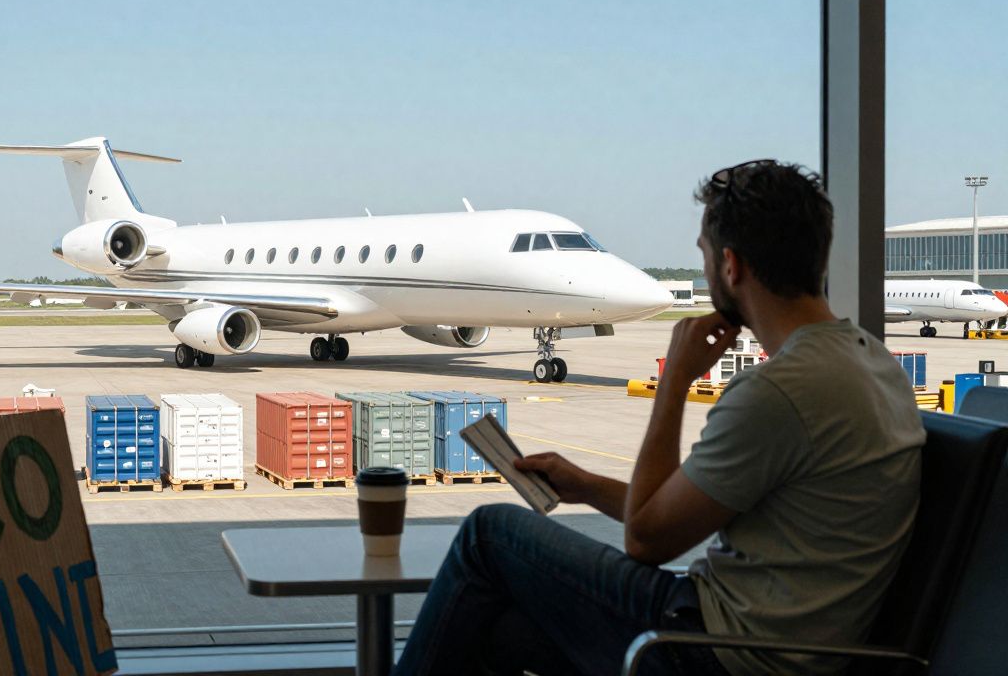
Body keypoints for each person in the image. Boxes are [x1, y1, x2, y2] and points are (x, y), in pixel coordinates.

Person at [393, 161, 925, 675]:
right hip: (786, 641)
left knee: (490, 534)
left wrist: (673, 384)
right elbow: (679, 514)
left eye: (704, 254)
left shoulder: (778, 392)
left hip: (718, 650)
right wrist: (586, 485)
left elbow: (648, 541)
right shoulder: (871, 362)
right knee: (501, 633)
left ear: (731, 266)